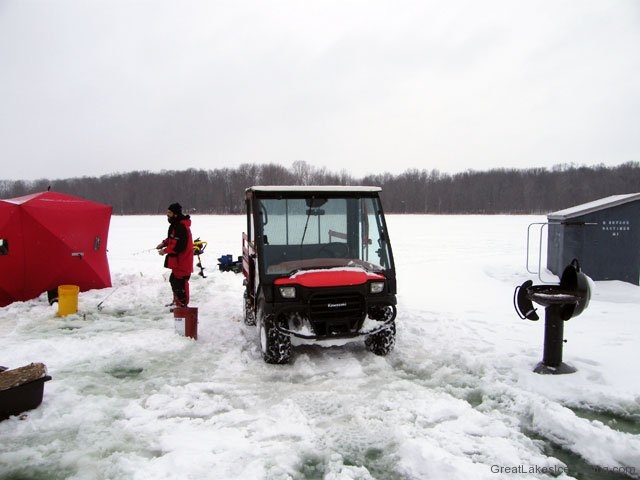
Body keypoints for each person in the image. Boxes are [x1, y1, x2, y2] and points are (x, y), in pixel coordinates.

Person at [157, 203, 194, 307]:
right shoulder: (175, 225)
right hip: (177, 262)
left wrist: (164, 251)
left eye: (169, 212)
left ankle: (183, 305)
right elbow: (172, 238)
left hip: (183, 261)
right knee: (173, 280)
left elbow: (178, 246)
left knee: (180, 283)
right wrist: (164, 243)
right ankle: (177, 303)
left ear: (176, 214)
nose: (167, 214)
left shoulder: (181, 227)